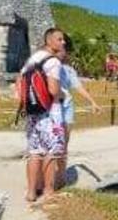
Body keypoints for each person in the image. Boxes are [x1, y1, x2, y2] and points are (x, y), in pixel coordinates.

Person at [22, 28, 67, 203]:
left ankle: (31, 192)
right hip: (50, 112)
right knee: (52, 151)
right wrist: (63, 94)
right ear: (49, 41)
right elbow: (53, 90)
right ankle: (48, 190)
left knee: (34, 152)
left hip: (33, 112)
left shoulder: (32, 59)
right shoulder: (53, 62)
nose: (63, 42)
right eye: (59, 39)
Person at [57, 35, 101, 189]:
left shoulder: (68, 69)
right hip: (51, 110)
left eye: (64, 49)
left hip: (67, 109)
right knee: (50, 145)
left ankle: (61, 177)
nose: (62, 52)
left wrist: (92, 102)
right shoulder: (43, 65)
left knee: (63, 145)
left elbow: (78, 87)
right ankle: (46, 178)